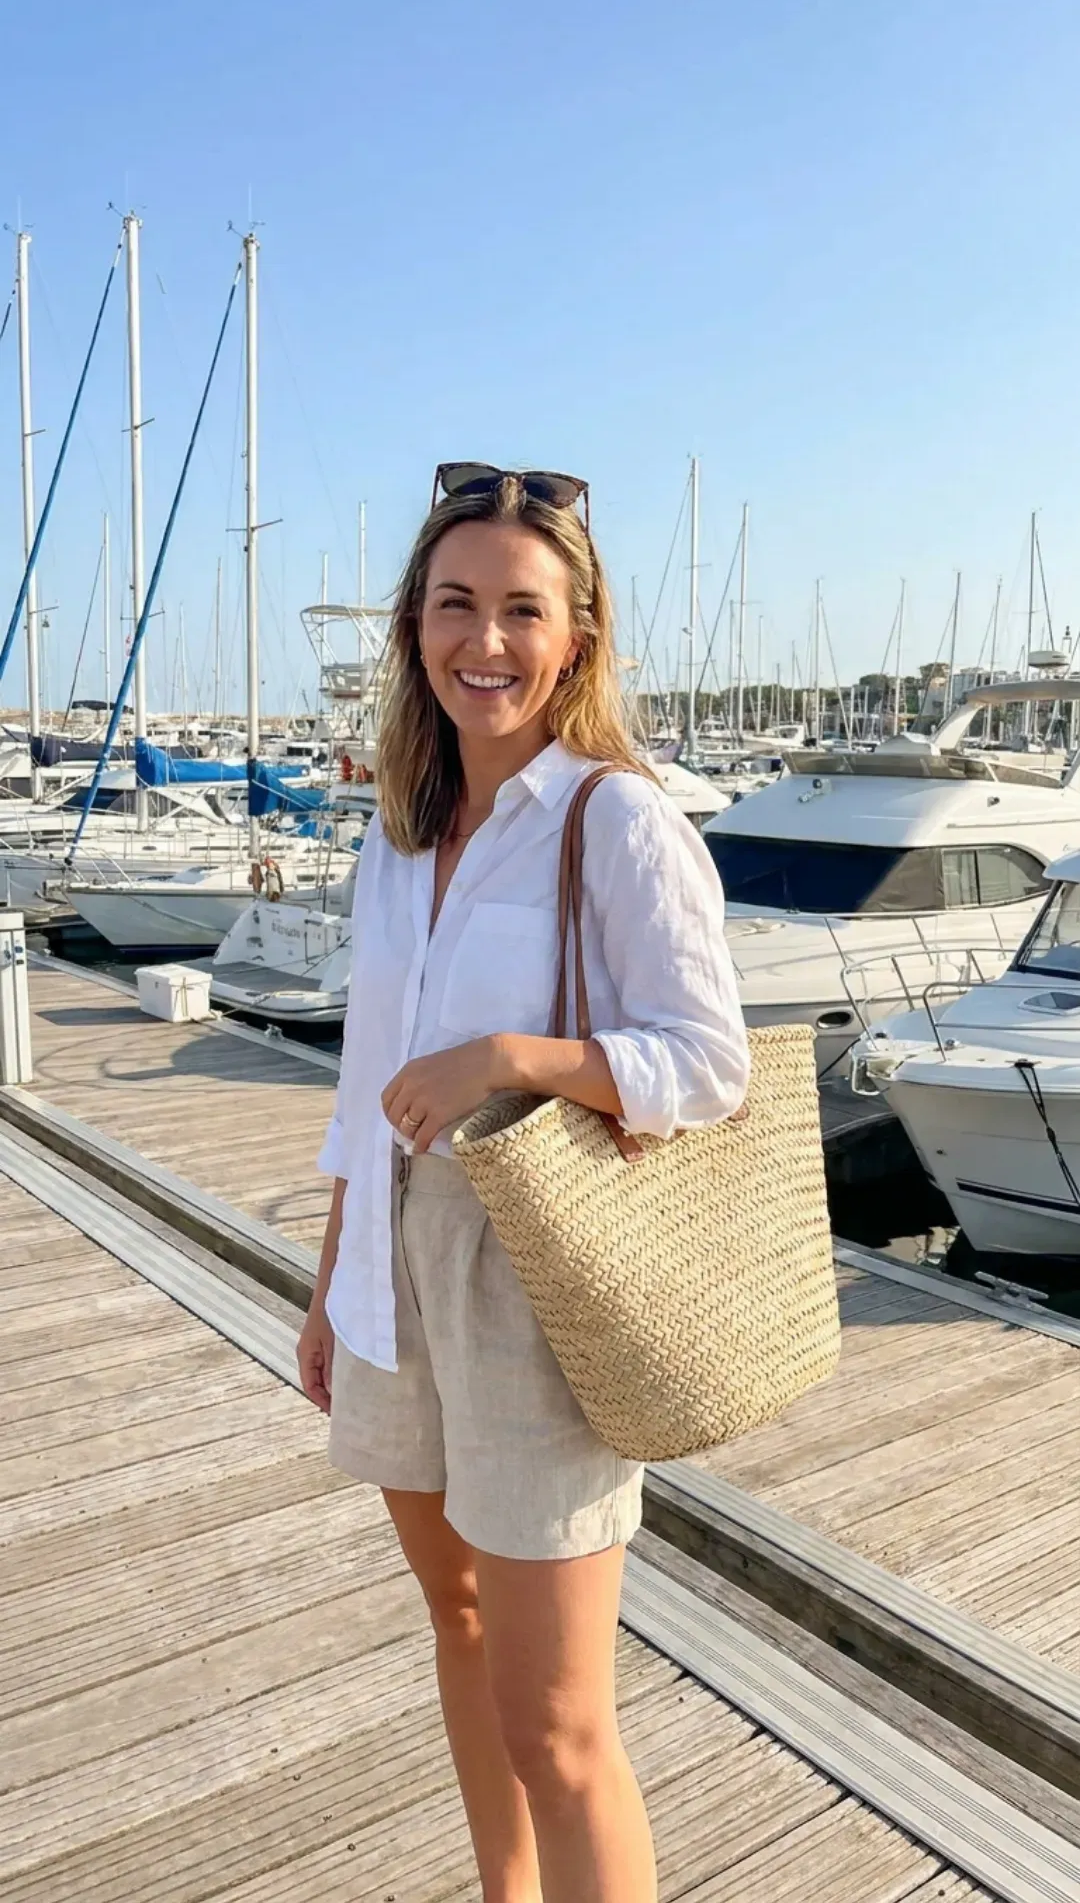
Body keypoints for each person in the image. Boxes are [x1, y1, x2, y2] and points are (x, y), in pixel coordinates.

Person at [298, 461, 750, 1903]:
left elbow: (709, 1066)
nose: (480, 641)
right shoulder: (400, 828)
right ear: (412, 627)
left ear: (576, 636)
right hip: (392, 1261)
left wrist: (512, 1055)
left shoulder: (614, 821)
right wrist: (330, 1280)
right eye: (453, 604)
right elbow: (365, 1079)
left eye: (518, 610)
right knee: (461, 1622)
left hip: (533, 1263)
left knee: (559, 1725)